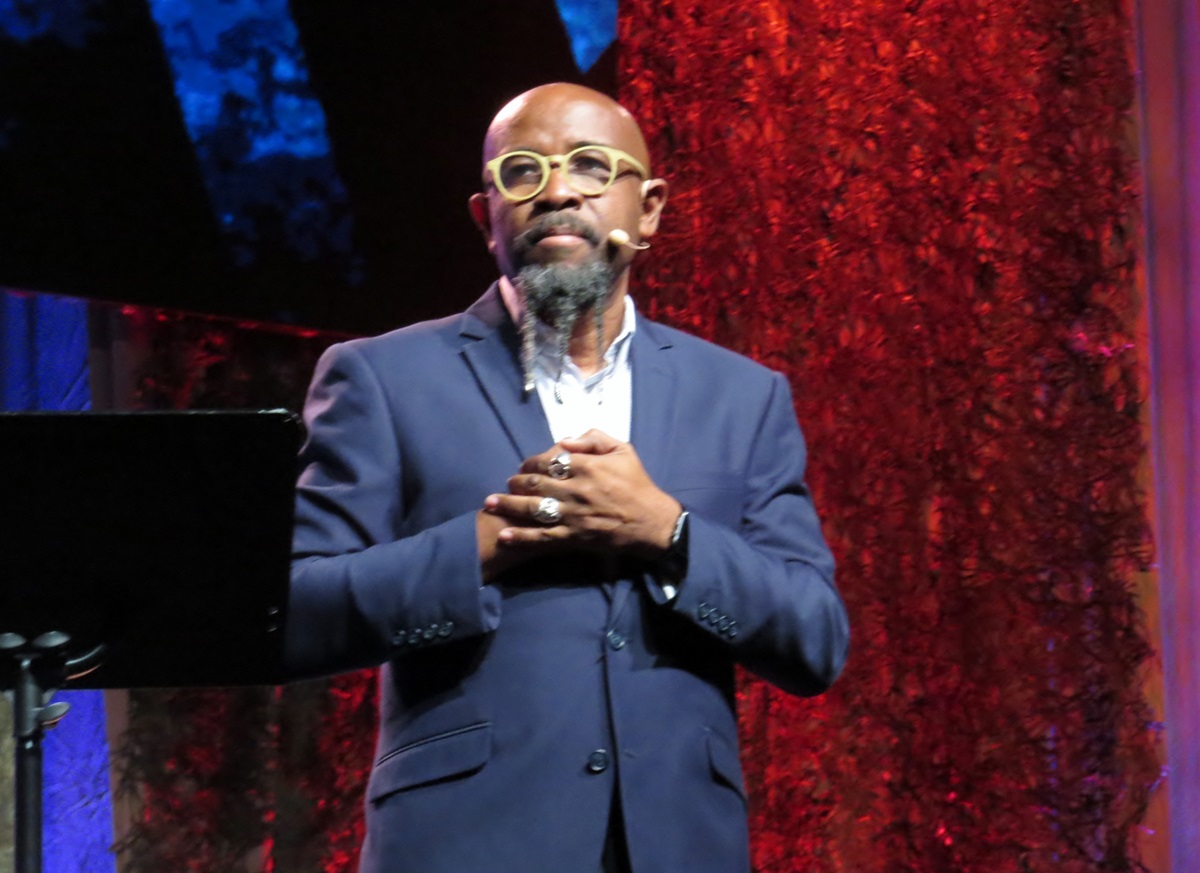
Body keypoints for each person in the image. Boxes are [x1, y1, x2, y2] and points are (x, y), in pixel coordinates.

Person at [288, 82, 849, 873]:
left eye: (591, 165)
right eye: (522, 172)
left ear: (647, 209)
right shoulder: (380, 377)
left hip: (678, 845)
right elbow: (296, 610)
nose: (556, 190)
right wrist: (485, 543)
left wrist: (668, 533)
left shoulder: (744, 396)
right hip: (467, 844)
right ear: (488, 219)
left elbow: (815, 637)